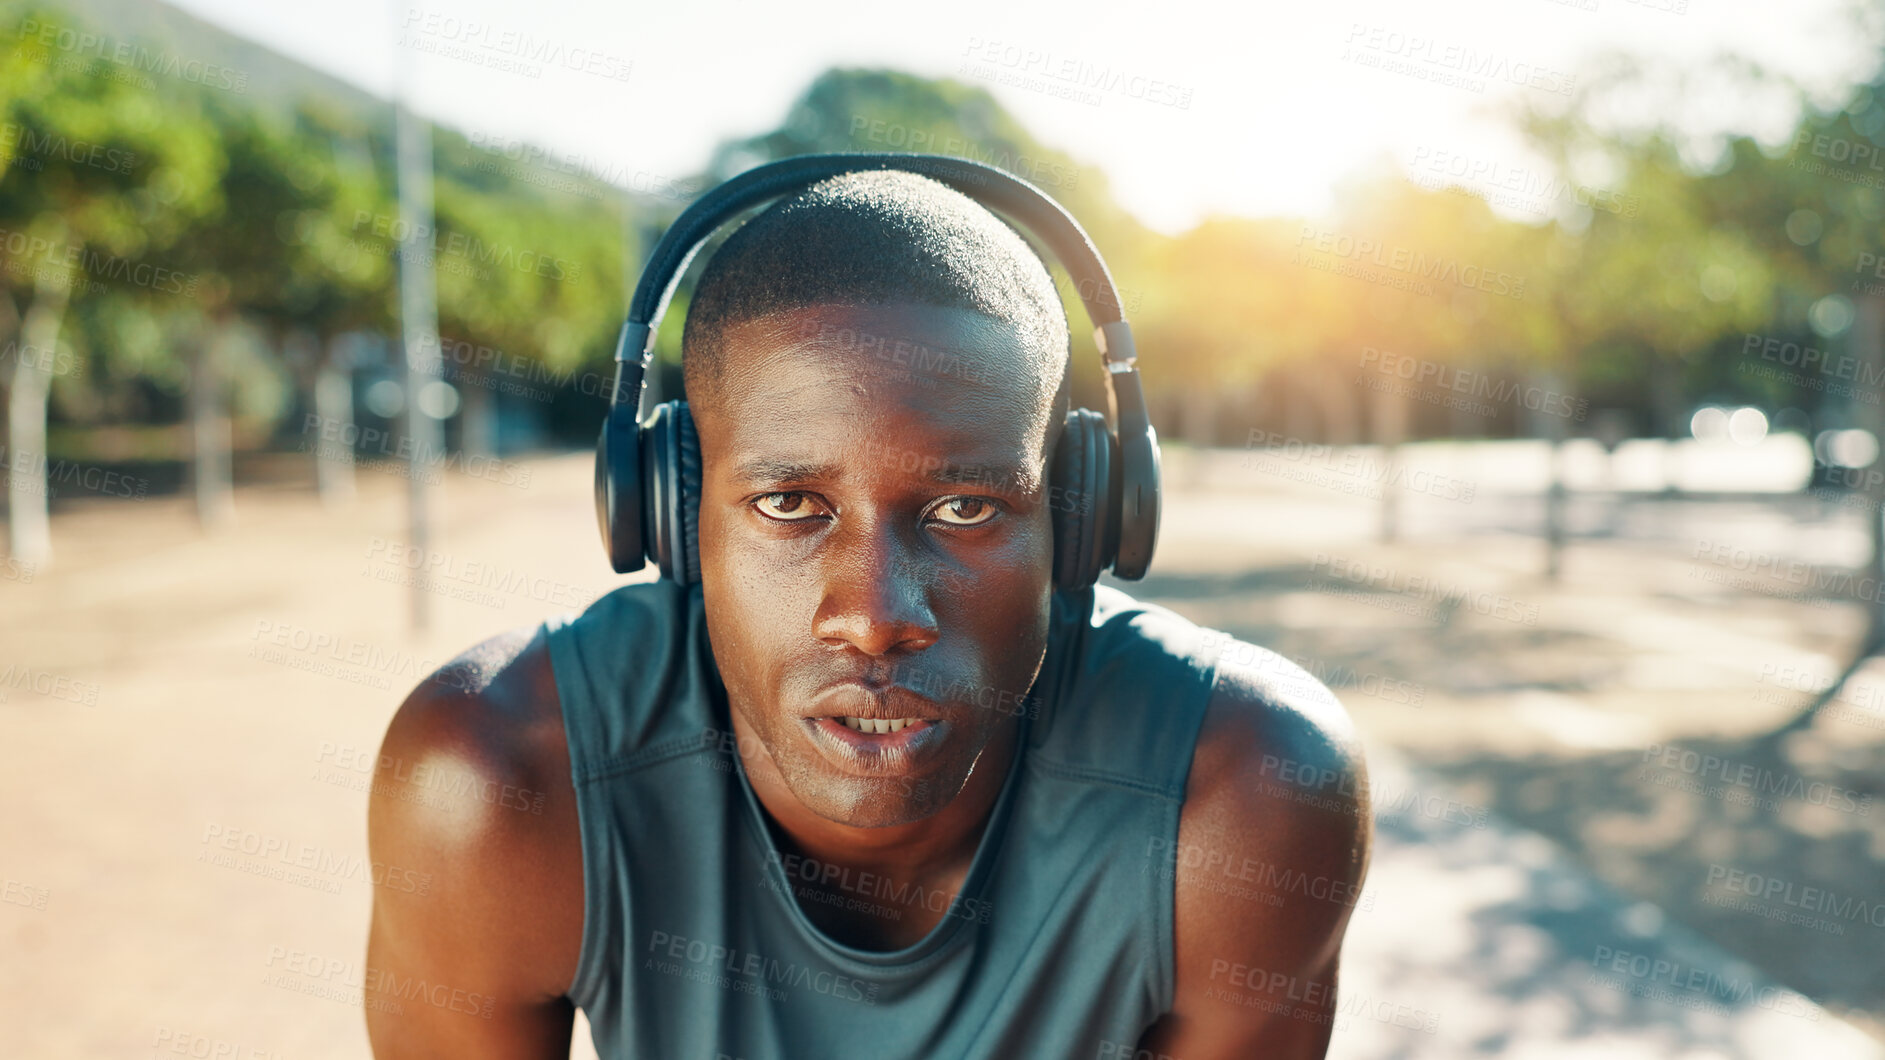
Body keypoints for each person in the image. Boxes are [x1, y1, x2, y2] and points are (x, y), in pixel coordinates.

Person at [364, 167, 1372, 1059]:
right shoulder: (497, 783)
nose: (876, 618)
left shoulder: (1244, 792)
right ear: (668, 514)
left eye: (965, 508)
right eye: (789, 505)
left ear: (1082, 517)